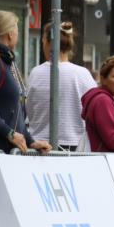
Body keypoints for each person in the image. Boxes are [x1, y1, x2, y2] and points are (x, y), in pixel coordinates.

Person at [0, 10, 51, 154]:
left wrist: (30, 141)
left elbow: (14, 112)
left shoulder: (6, 62)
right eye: (17, 31)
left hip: (6, 151)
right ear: (10, 34)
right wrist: (8, 133)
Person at [25, 20, 96, 150]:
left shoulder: (35, 73)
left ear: (47, 42)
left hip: (39, 145)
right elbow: (94, 112)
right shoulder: (83, 74)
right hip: (74, 144)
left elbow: (29, 111)